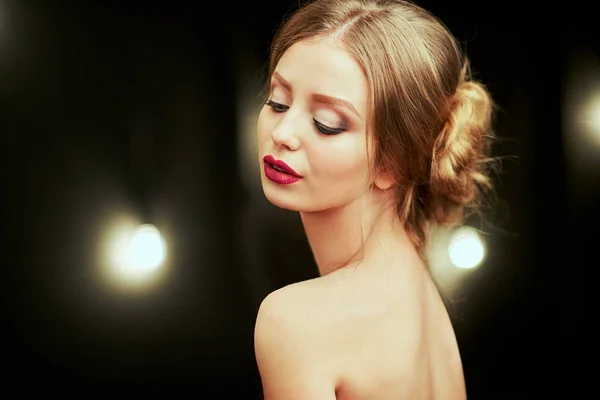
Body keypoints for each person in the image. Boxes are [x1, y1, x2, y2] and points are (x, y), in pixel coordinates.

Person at [253, 0, 496, 398]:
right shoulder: (422, 295)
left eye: (326, 124)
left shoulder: (296, 322)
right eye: (278, 101)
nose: (284, 132)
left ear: (395, 161)